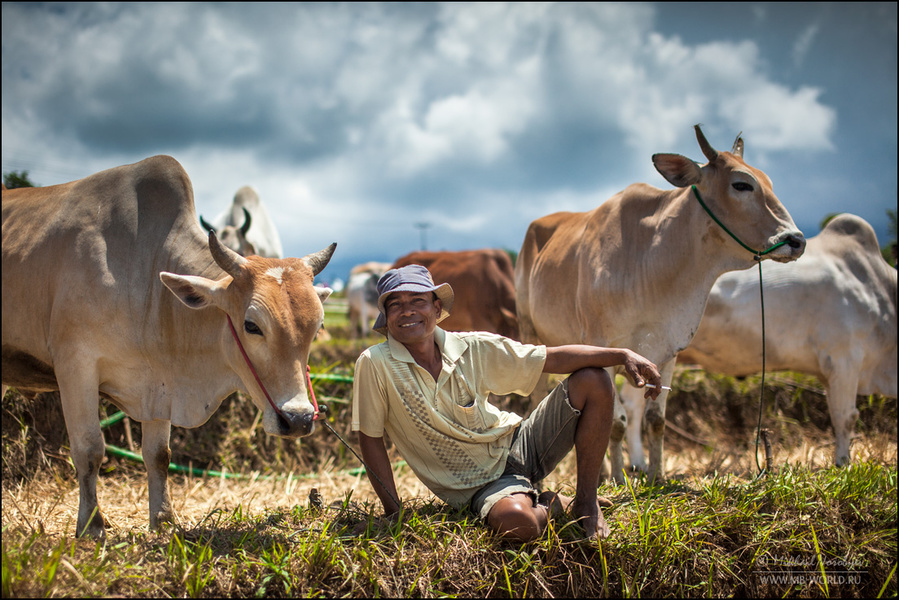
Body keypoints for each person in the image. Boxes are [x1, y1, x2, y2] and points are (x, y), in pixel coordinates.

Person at [351, 264, 662, 542]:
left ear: (436, 308)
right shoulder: (375, 364)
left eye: (417, 301)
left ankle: (585, 500)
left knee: (594, 380)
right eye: (395, 304)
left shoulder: (472, 346)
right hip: (480, 484)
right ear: (386, 317)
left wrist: (621, 355)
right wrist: (394, 512)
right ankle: (551, 504)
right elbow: (371, 438)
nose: (407, 311)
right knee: (518, 523)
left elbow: (549, 358)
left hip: (520, 444)